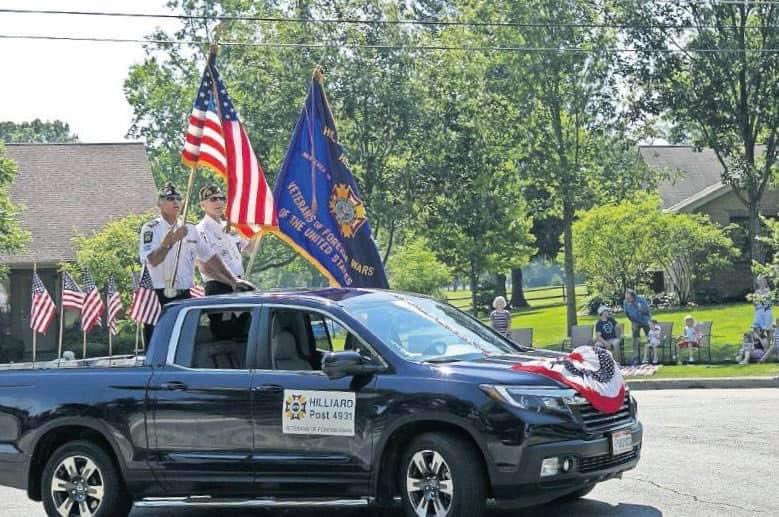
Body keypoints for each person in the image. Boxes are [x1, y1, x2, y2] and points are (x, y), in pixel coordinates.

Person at [139, 182, 253, 343]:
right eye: (170, 198)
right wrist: (168, 243)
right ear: (160, 203)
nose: (175, 202)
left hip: (185, 293)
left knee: (183, 341)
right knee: (158, 341)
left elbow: (210, 257)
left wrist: (233, 280)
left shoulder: (190, 229)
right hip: (160, 294)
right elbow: (152, 261)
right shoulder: (151, 228)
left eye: (178, 198)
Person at [196, 184, 256, 338]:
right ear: (203, 205)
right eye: (213, 199)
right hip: (219, 286)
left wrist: (257, 229)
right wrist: (232, 282)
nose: (219, 202)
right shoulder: (200, 230)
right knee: (225, 333)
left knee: (245, 331)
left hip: (240, 284)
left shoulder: (230, 227)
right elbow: (204, 266)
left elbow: (249, 249)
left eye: (222, 198)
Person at [623, 289, 652, 364]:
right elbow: (626, 313)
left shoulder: (641, 300)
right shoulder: (625, 302)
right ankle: (636, 356)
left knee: (650, 336)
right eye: (626, 298)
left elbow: (646, 312)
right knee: (635, 337)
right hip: (635, 320)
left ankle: (650, 355)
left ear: (633, 297)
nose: (627, 300)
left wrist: (638, 308)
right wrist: (632, 320)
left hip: (645, 320)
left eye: (628, 298)